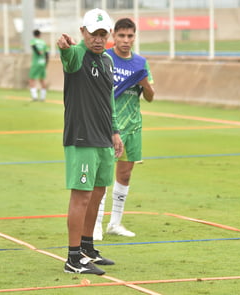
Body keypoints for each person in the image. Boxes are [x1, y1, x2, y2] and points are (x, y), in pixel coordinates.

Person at [57, 8, 123, 275]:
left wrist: (115, 131)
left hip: (103, 138)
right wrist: (63, 46)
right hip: (81, 137)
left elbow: (109, 101)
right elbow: (66, 54)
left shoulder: (107, 60)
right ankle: (73, 258)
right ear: (82, 32)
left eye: (102, 34)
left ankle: (87, 248)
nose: (98, 38)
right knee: (81, 196)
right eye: (93, 33)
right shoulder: (76, 55)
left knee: (97, 193)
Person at [93, 18, 155, 240]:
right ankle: (96, 224)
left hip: (133, 126)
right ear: (114, 35)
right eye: (121, 36)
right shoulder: (104, 58)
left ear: (134, 37)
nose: (126, 40)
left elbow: (150, 97)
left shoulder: (140, 63)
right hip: (108, 125)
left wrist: (145, 83)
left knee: (125, 174)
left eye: (130, 36)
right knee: (102, 176)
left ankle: (115, 223)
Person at [29, 29, 49, 101]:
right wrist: (46, 63)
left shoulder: (33, 41)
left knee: (32, 79)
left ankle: (34, 96)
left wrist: (38, 52)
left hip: (36, 63)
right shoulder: (43, 42)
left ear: (34, 35)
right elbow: (47, 54)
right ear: (40, 34)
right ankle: (43, 97)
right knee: (42, 80)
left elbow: (34, 47)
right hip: (42, 63)